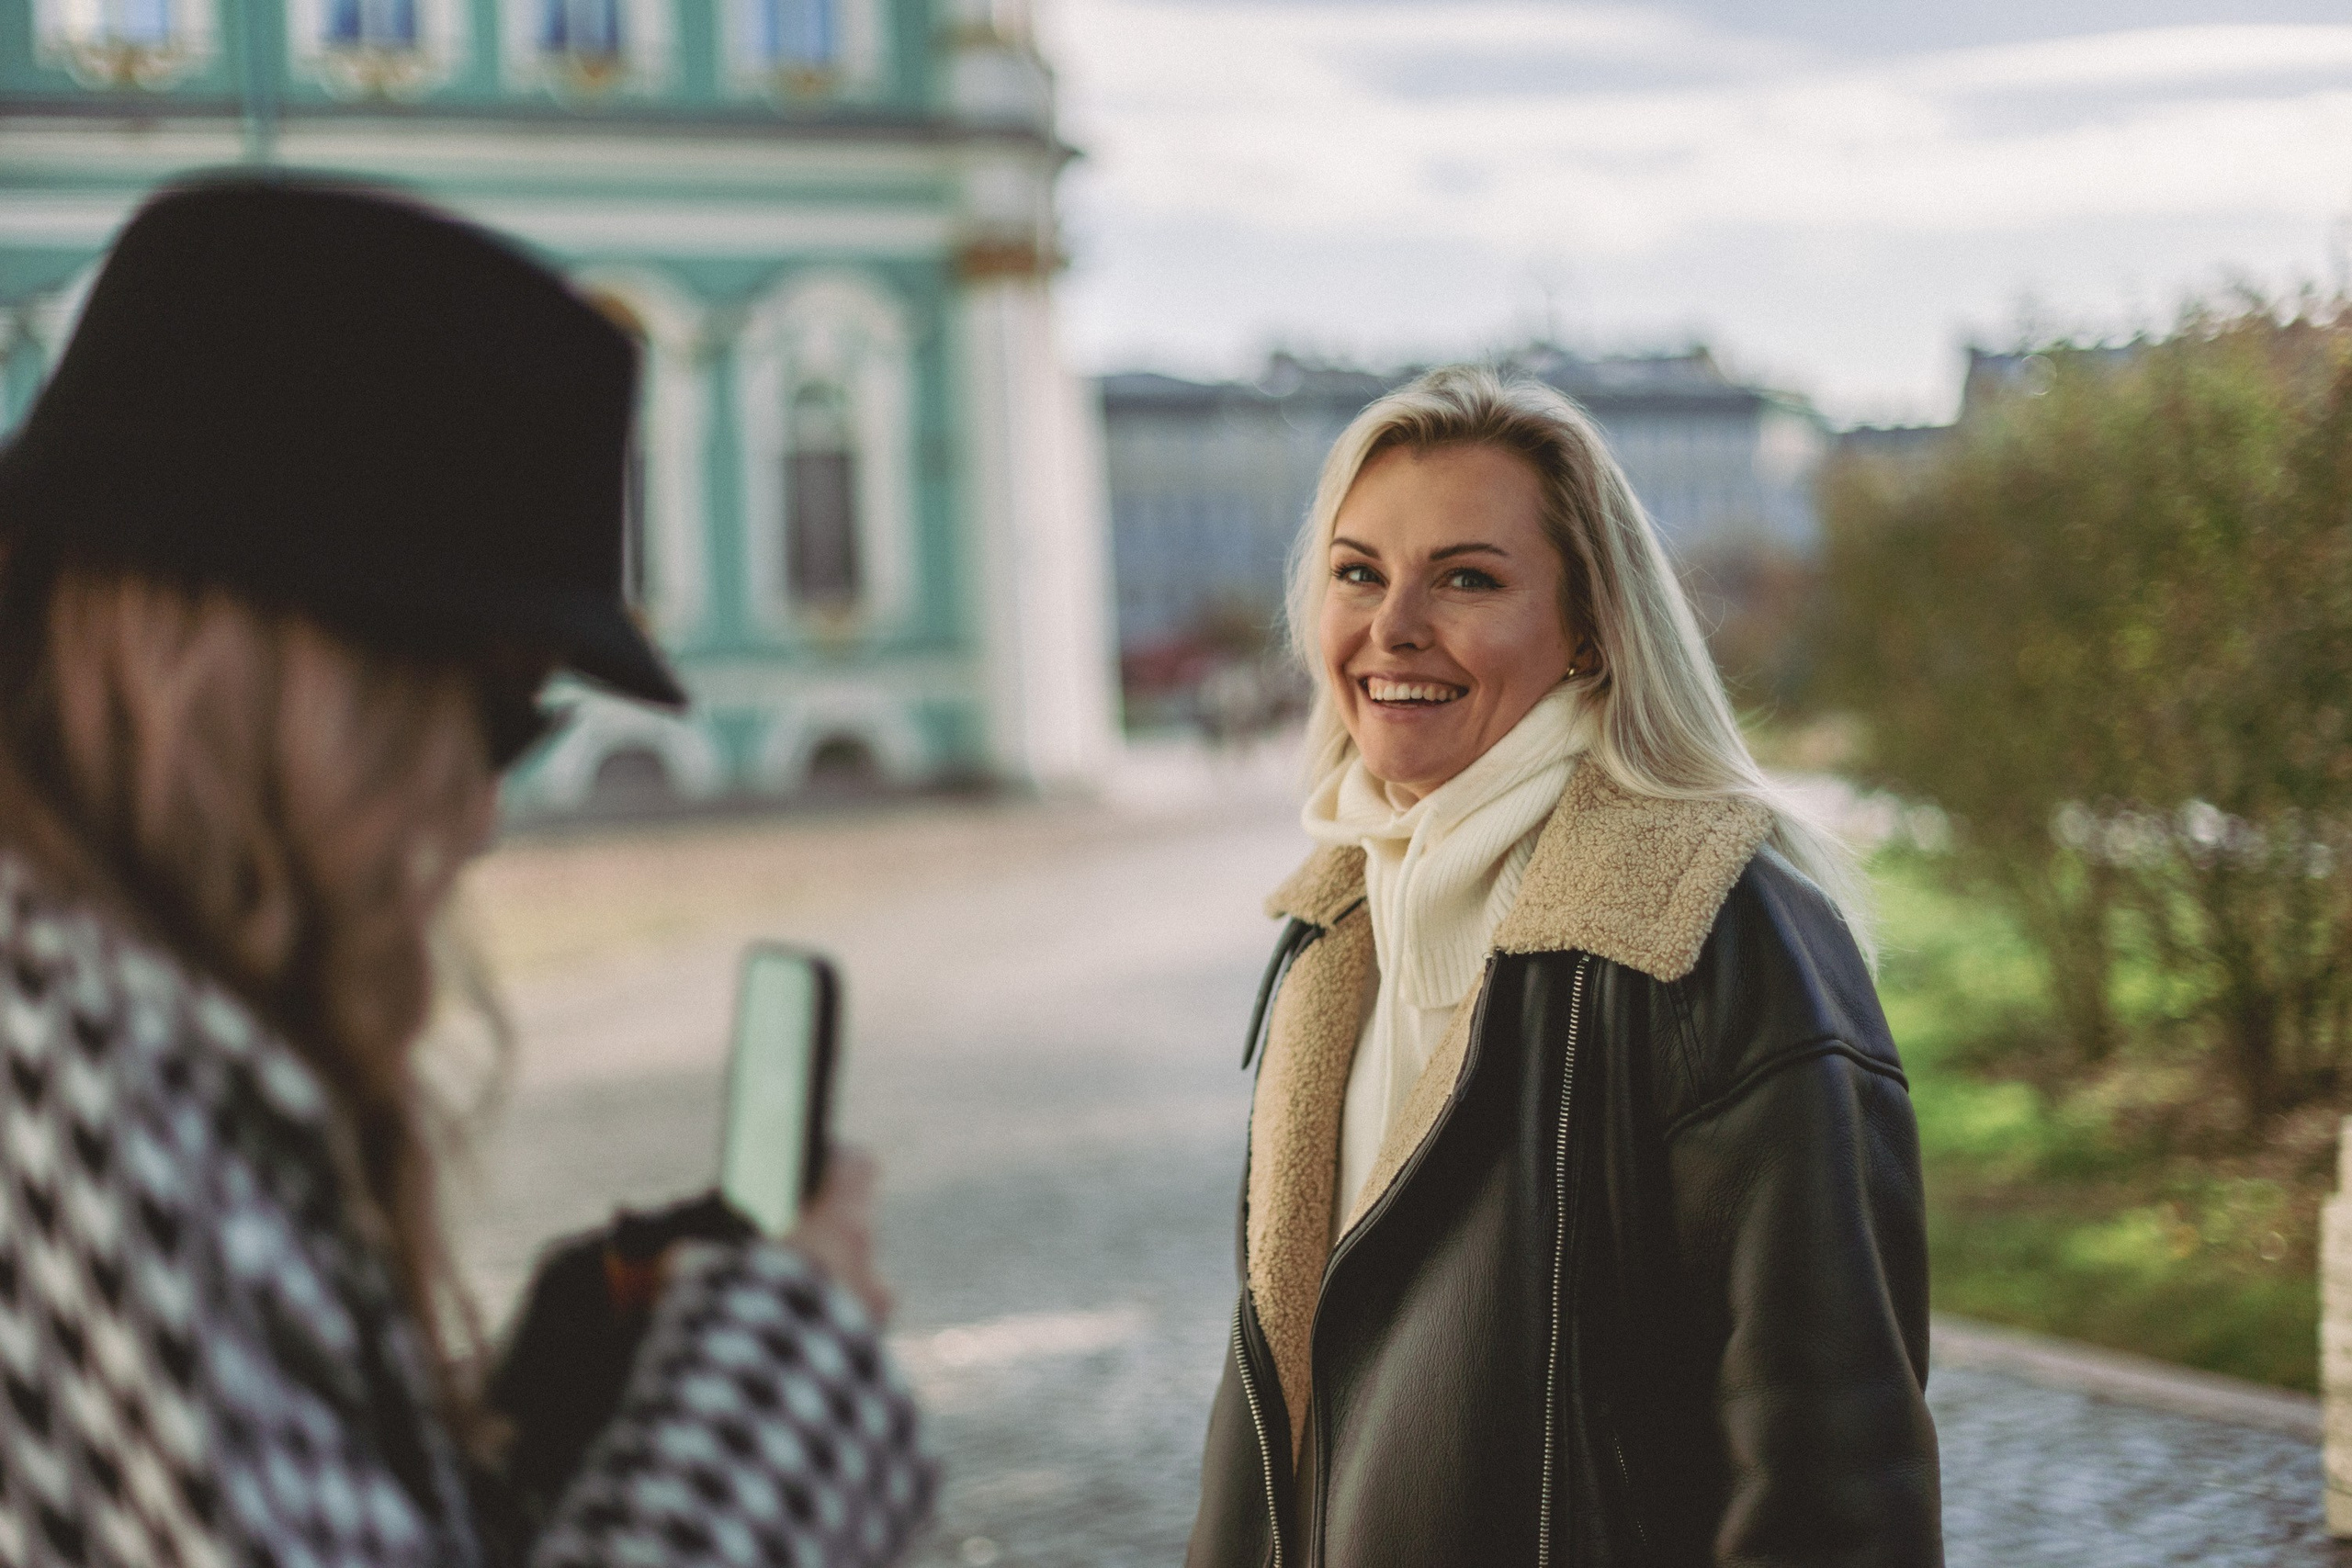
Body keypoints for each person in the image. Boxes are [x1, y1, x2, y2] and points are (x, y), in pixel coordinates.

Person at [0, 175, 933, 1568]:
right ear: (280, 676)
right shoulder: (88, 1072)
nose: (487, 811)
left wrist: (544, 1410)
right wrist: (777, 1356)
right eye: (497, 712)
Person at [1186, 368, 1940, 1566]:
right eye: (1357, 573)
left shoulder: (1719, 932)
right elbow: (1273, 1407)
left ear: (1591, 622)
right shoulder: (1329, 938)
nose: (1392, 627)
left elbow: (1830, 1480)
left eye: (1467, 578)